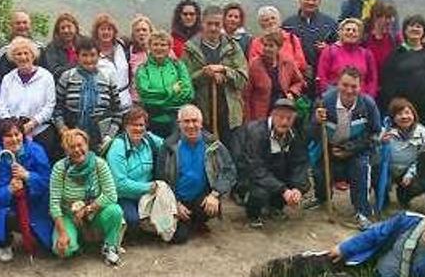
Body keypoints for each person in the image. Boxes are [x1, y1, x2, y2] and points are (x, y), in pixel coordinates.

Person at [247, 207, 425, 277]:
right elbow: (375, 235)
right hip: (368, 262)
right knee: (318, 261)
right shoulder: (409, 220)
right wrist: (345, 248)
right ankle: (270, 269)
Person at [312, 67, 381, 229]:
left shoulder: (368, 105)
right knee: (318, 172)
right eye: (345, 85)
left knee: (361, 168)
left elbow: (374, 133)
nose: (349, 90)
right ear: (338, 84)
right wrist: (316, 120)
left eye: (354, 86)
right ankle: (323, 199)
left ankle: (362, 212)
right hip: (330, 148)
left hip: (357, 149)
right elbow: (311, 133)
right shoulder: (324, 101)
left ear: (360, 87)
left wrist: (349, 148)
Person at [157, 105, 236, 244]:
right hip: (178, 199)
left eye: (195, 121)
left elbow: (229, 170)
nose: (191, 125)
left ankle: (198, 220)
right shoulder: (169, 146)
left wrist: (215, 194)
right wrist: (174, 203)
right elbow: (161, 179)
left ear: (201, 123)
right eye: (186, 121)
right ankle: (186, 222)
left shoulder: (212, 144)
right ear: (179, 124)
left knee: (208, 209)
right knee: (178, 238)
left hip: (202, 197)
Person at [0, 118, 53, 262]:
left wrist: (28, 176)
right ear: (1, 139)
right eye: (8, 136)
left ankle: (36, 232)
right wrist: (8, 190)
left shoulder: (36, 150)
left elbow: (47, 182)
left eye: (17, 134)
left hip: (34, 207)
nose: (14, 139)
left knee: (49, 246)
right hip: (7, 209)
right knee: (6, 216)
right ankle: (4, 243)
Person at [49, 128, 124, 265]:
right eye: (72, 147)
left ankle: (110, 246)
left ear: (87, 145)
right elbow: (54, 204)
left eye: (80, 145)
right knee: (63, 251)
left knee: (115, 211)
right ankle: (76, 241)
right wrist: (63, 233)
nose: (77, 150)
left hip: (93, 213)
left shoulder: (99, 163)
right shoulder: (59, 168)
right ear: (66, 150)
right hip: (69, 215)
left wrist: (86, 209)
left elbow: (111, 195)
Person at [233, 99, 308, 229]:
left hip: (274, 172)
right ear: (272, 115)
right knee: (260, 192)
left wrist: (297, 188)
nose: (284, 122)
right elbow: (255, 169)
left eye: (289, 118)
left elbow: (299, 162)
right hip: (250, 176)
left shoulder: (294, 135)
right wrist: (283, 189)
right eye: (280, 117)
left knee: (304, 183)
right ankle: (253, 213)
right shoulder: (255, 133)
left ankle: (275, 206)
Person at [182, 5, 248, 146]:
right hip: (202, 115)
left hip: (230, 115)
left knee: (231, 156)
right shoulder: (190, 49)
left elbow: (243, 79)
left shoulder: (233, 47)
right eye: (209, 24)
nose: (213, 28)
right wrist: (204, 74)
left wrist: (224, 70)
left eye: (217, 24)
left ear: (222, 24)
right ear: (202, 24)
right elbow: (185, 81)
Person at [105, 107, 170, 239]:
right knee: (133, 221)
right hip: (125, 196)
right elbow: (119, 184)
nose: (138, 129)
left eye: (141, 125)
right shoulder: (117, 147)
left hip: (147, 195)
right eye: (133, 125)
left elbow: (168, 145)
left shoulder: (149, 139)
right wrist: (149, 187)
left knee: (165, 220)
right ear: (125, 126)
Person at [379, 15, 425, 130]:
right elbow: (387, 79)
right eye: (411, 26)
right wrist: (394, 102)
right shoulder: (398, 53)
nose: (415, 29)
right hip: (406, 107)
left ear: (423, 31)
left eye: (419, 26)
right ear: (405, 30)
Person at [53, 36, 122, 153]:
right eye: (84, 55)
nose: (89, 59)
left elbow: (117, 110)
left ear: (99, 55)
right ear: (77, 56)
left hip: (101, 138)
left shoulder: (107, 78)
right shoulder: (67, 77)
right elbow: (56, 108)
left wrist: (109, 136)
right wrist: (63, 130)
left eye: (92, 55)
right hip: (72, 137)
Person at [0, 36, 59, 161]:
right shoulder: (8, 79)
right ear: (13, 58)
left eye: (26, 53)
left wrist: (31, 124)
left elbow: (49, 106)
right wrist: (14, 127)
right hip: (13, 135)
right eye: (18, 54)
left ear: (33, 55)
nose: (23, 57)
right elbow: (1, 106)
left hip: (41, 133)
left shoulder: (46, 77)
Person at [135, 30, 194, 139]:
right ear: (150, 47)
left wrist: (161, 101)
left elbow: (188, 94)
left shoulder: (179, 66)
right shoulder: (143, 69)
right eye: (155, 44)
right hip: (152, 122)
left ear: (169, 47)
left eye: (163, 45)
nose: (159, 48)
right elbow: (146, 96)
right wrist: (172, 90)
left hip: (177, 121)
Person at [282, 0, 339, 97]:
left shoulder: (330, 23)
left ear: (319, 2)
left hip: (322, 77)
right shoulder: (288, 24)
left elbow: (339, 47)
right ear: (300, 0)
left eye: (314, 0)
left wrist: (327, 48)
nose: (310, 3)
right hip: (295, 77)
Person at [376, 98, 425, 210]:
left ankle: (404, 197)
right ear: (393, 117)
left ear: (413, 115)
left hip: (409, 170)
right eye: (399, 114)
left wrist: (410, 173)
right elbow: (375, 156)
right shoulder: (385, 131)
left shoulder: (421, 130)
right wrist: (380, 142)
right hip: (388, 170)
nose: (404, 117)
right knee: (375, 174)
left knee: (422, 182)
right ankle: (383, 199)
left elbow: (423, 157)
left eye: (407, 113)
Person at [245, 31, 305, 123]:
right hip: (260, 114)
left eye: (271, 46)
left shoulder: (287, 62)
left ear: (279, 47)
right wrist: (248, 120)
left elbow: (299, 81)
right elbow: (246, 94)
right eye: (265, 45)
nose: (267, 48)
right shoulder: (254, 65)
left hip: (282, 110)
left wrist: (292, 92)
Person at [316, 18, 379, 98]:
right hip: (334, 98)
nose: (351, 32)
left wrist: (368, 97)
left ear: (360, 35)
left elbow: (372, 80)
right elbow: (322, 77)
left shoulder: (367, 54)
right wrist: (331, 96)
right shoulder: (329, 51)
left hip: (360, 99)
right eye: (348, 30)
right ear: (341, 33)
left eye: (354, 30)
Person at [249, 6, 307, 75]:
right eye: (266, 20)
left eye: (273, 18)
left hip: (292, 81)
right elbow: (253, 65)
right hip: (266, 81)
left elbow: (302, 63)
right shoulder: (256, 43)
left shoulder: (292, 39)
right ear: (261, 24)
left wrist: (286, 71)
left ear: (279, 20)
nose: (270, 22)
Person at [92, 13, 133, 110]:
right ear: (96, 32)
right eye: (102, 29)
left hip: (126, 101)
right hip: (104, 103)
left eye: (109, 29)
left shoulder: (122, 46)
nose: (106, 32)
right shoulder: (92, 51)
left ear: (114, 32)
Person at [0, 10, 44, 80]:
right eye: (18, 23)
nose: (22, 26)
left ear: (30, 25)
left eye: (25, 22)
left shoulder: (41, 48)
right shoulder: (3, 51)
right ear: (11, 26)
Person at [363, 0, 402, 77]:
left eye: (391, 17)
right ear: (376, 17)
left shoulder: (395, 39)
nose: (389, 21)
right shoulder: (364, 38)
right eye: (387, 17)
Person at [42, 12, 81, 81]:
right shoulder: (51, 48)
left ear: (75, 28)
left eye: (69, 27)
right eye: (63, 28)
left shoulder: (84, 44)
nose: (66, 30)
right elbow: (55, 71)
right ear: (58, 31)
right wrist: (78, 66)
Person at [127, 15, 155, 101]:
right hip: (136, 100)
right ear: (133, 34)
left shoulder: (161, 50)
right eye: (137, 30)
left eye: (144, 30)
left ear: (150, 32)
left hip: (158, 100)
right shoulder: (129, 52)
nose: (141, 33)